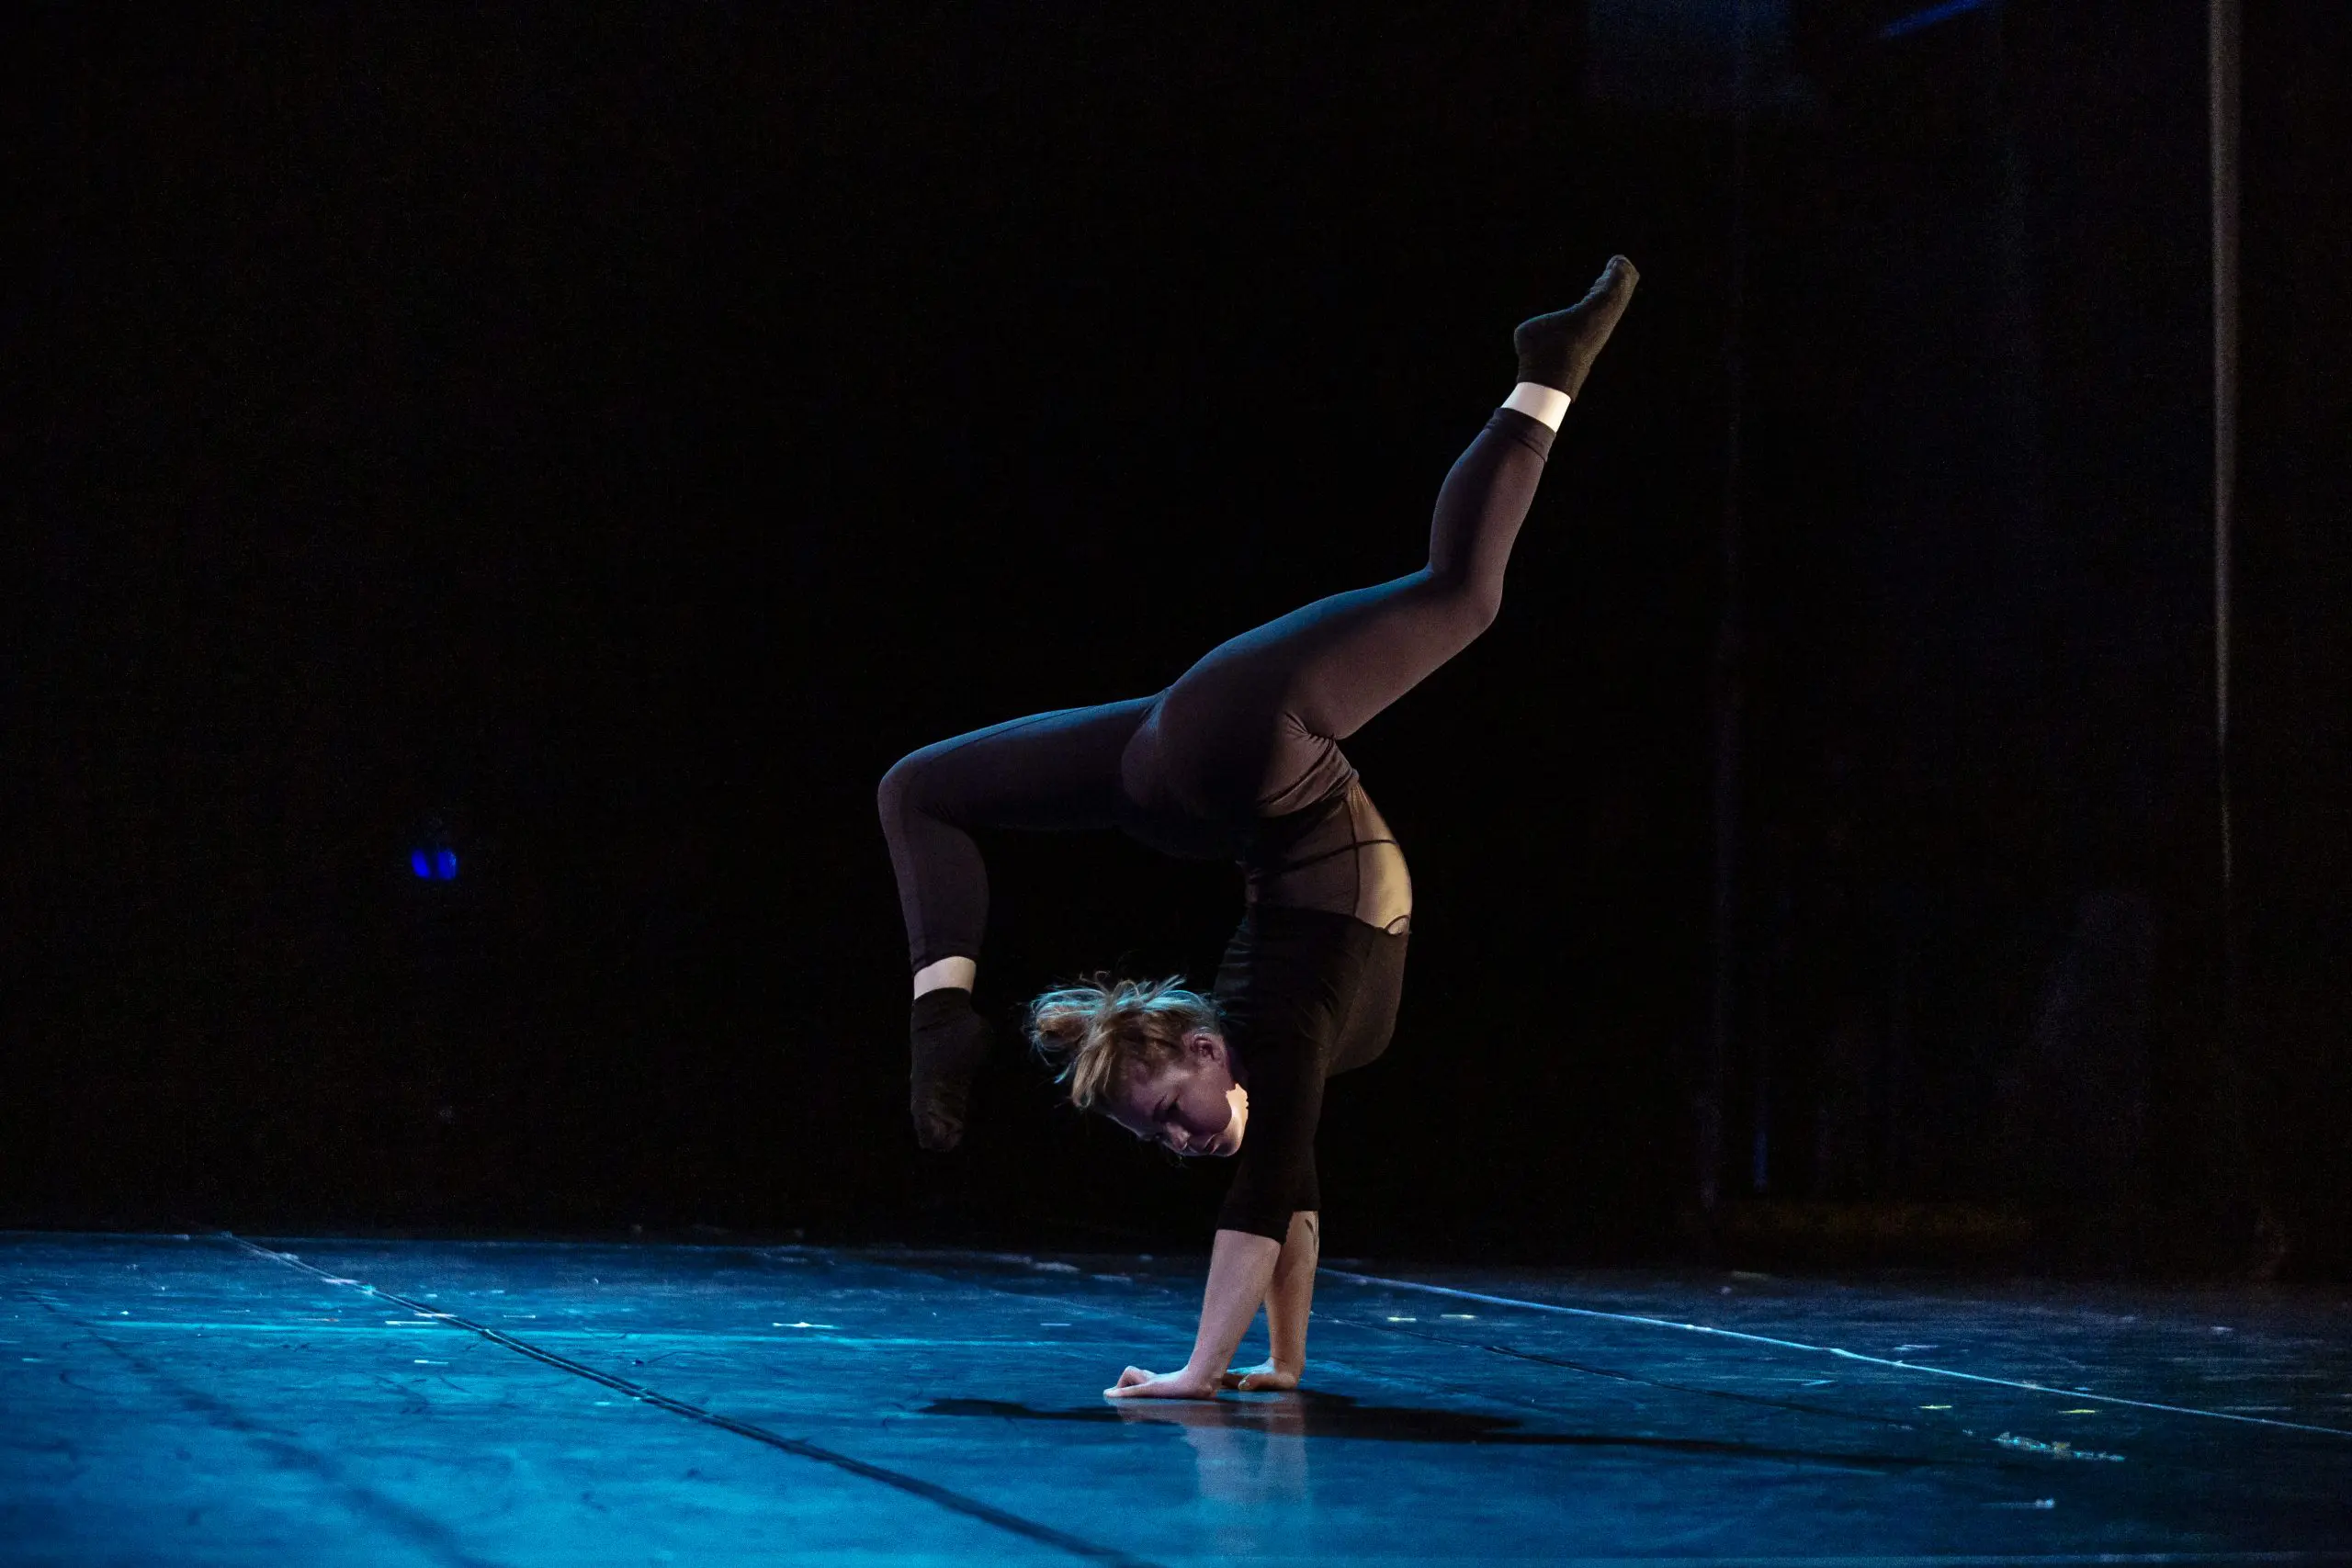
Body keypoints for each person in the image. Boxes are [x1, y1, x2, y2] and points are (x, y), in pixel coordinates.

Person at [876, 257, 1640, 1398]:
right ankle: (941, 1013)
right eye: (1164, 1141)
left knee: (1461, 598)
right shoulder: (1287, 1055)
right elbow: (1293, 1189)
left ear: (1202, 1052)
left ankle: (1544, 373)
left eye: (1171, 1118)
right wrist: (1280, 1366)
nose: (1183, 1145)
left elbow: (1259, 1196)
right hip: (1180, 782)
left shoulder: (1272, 1028)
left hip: (1236, 749)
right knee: (916, 787)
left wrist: (1195, 1373)